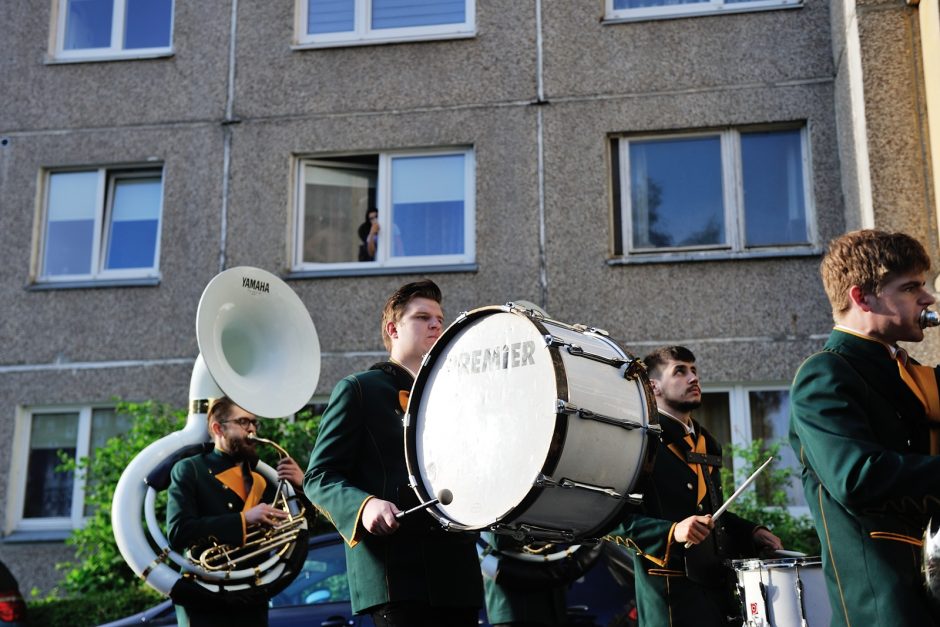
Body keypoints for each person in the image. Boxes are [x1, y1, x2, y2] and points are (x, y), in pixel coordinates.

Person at [304, 279, 483, 627]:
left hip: (457, 575)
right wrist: (364, 505)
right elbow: (319, 477)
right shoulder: (359, 389)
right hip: (396, 577)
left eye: (439, 318)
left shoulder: (456, 394)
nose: (435, 325)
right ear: (392, 329)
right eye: (422, 317)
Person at [789, 229, 940, 626]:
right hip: (885, 605)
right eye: (910, 288)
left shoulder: (908, 373)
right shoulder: (825, 372)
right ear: (861, 297)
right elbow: (856, 477)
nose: (928, 299)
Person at [613, 345, 782, 626]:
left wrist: (753, 532)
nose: (693, 378)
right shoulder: (639, 441)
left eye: (694, 370)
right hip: (671, 602)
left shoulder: (706, 442)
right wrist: (672, 531)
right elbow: (612, 521)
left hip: (718, 593)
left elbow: (713, 513)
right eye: (680, 371)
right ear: (653, 386)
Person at [166, 396, 308, 627]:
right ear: (217, 428)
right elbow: (178, 532)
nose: (252, 428)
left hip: (252, 594)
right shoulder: (191, 469)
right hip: (204, 596)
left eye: (254, 423)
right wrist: (242, 520)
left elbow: (298, 525)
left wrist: (301, 486)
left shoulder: (263, 479)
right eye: (243, 422)